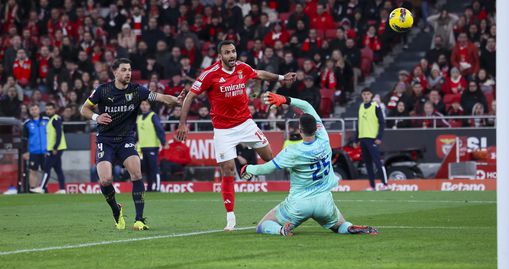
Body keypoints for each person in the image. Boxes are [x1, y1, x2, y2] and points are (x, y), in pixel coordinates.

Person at [176, 40, 296, 231]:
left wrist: (281, 77)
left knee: (270, 158)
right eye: (227, 53)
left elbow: (259, 74)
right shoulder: (210, 74)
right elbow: (190, 96)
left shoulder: (242, 67)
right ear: (220, 56)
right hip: (223, 130)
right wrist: (182, 123)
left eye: (233, 52)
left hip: (246, 124)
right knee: (228, 170)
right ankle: (230, 217)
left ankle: (249, 169)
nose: (232, 55)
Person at [240, 92, 378, 237]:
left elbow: (268, 168)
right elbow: (307, 106)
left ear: (300, 131)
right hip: (324, 202)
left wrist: (248, 168)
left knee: (263, 225)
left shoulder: (293, 150)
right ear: (316, 128)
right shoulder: (324, 138)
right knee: (340, 225)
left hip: (299, 204)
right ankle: (350, 228)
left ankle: (282, 230)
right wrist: (286, 99)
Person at [80, 58, 181, 231]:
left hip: (126, 139)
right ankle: (115, 209)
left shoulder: (137, 90)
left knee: (136, 173)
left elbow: (160, 97)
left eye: (130, 70)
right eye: (124, 70)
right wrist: (97, 117)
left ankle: (139, 219)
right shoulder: (102, 91)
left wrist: (175, 100)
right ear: (115, 72)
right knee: (105, 180)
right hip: (106, 140)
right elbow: (84, 109)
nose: (128, 73)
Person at [30, 103, 67, 194]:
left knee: (47, 168)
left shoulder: (55, 119)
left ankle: (42, 188)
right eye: (47, 109)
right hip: (54, 148)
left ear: (54, 110)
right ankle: (62, 189)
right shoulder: (51, 120)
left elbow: (59, 135)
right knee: (58, 169)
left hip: (55, 149)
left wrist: (55, 147)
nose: (48, 111)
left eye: (50, 109)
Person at [357, 88, 388, 191]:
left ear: (371, 95)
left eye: (368, 94)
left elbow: (382, 123)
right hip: (363, 139)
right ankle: (372, 186)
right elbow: (359, 124)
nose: (366, 96)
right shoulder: (361, 106)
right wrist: (356, 138)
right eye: (364, 94)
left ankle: (385, 184)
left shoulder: (376, 106)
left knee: (377, 162)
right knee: (368, 164)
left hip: (372, 139)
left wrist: (379, 137)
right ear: (362, 96)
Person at [136, 100, 167, 192]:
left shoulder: (153, 116)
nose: (144, 106)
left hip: (152, 146)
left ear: (149, 106)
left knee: (154, 168)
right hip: (143, 147)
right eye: (142, 104)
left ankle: (157, 187)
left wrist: (163, 141)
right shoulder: (139, 118)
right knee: (147, 169)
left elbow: (159, 129)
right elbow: (137, 133)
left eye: (146, 104)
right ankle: (149, 188)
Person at [22, 104, 48, 190]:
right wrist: (25, 151)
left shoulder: (46, 120)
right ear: (29, 111)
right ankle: (32, 188)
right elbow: (24, 139)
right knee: (33, 170)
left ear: (39, 110)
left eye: (35, 109)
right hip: (33, 151)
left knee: (46, 170)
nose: (34, 111)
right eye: (32, 109)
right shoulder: (27, 123)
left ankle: (43, 188)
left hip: (45, 151)